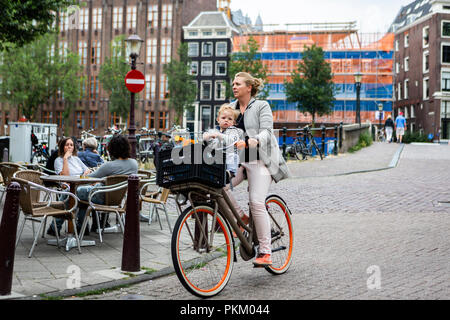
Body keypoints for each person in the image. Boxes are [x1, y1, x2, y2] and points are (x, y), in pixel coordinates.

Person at [226, 72, 291, 267]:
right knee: (220, 185)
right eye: (233, 83)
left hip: (260, 161)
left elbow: (267, 131)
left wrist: (255, 139)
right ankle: (241, 218)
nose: (234, 86)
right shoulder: (232, 108)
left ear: (249, 87)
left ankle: (265, 251)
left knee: (256, 201)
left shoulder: (262, 105)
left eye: (238, 84)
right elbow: (224, 127)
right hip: (239, 162)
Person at [76, 134, 138, 233]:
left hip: (101, 197)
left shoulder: (109, 166)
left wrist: (83, 174)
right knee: (83, 199)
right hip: (118, 199)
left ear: (112, 149)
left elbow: (89, 178)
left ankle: (60, 221)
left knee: (74, 192)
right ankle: (84, 227)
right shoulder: (134, 164)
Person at [47, 137, 92, 236]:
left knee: (83, 194)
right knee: (73, 195)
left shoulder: (76, 159)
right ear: (62, 147)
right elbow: (65, 177)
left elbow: (88, 170)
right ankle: (81, 227)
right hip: (68, 187)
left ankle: (56, 227)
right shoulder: (59, 160)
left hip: (81, 185)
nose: (69, 147)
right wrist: (65, 159)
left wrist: (84, 174)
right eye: (67, 145)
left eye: (71, 145)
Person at [202, 103, 244, 175]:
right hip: (215, 157)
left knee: (233, 156)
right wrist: (206, 136)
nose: (226, 120)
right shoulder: (213, 131)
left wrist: (219, 135)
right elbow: (207, 141)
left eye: (229, 119)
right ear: (218, 119)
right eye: (223, 118)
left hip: (228, 157)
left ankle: (230, 173)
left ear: (233, 122)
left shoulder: (234, 131)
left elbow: (231, 140)